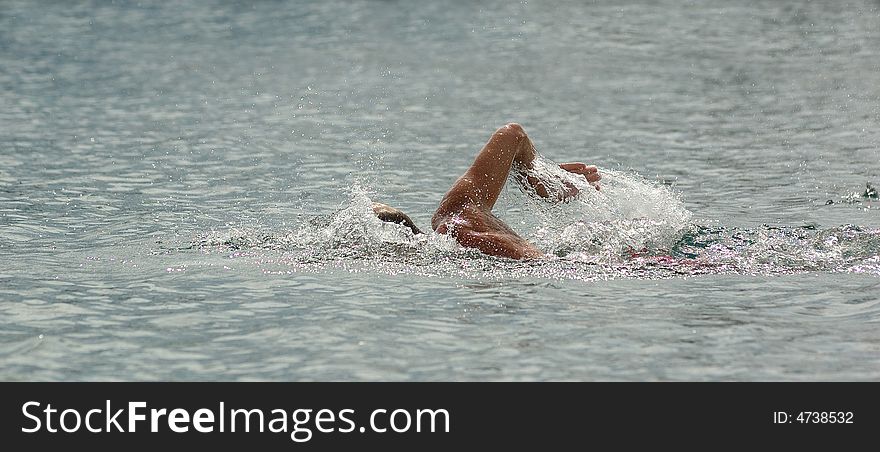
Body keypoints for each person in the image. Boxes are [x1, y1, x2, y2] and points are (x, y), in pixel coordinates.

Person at [372, 123, 601, 259]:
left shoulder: (460, 237)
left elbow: (548, 266)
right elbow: (512, 134)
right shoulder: (456, 206)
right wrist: (540, 177)